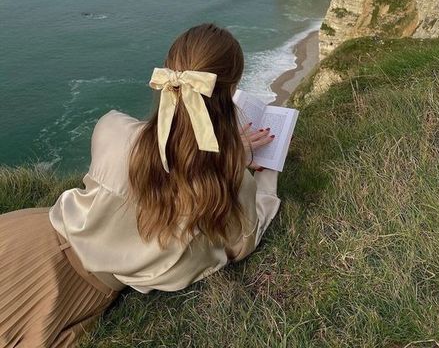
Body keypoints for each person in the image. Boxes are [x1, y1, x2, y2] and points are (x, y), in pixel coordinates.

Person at [0, 24, 281, 347]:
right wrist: (246, 167)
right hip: (70, 289)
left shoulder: (112, 129)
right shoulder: (223, 185)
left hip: (27, 234)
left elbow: (157, 156)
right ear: (230, 93)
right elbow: (244, 239)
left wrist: (224, 157)